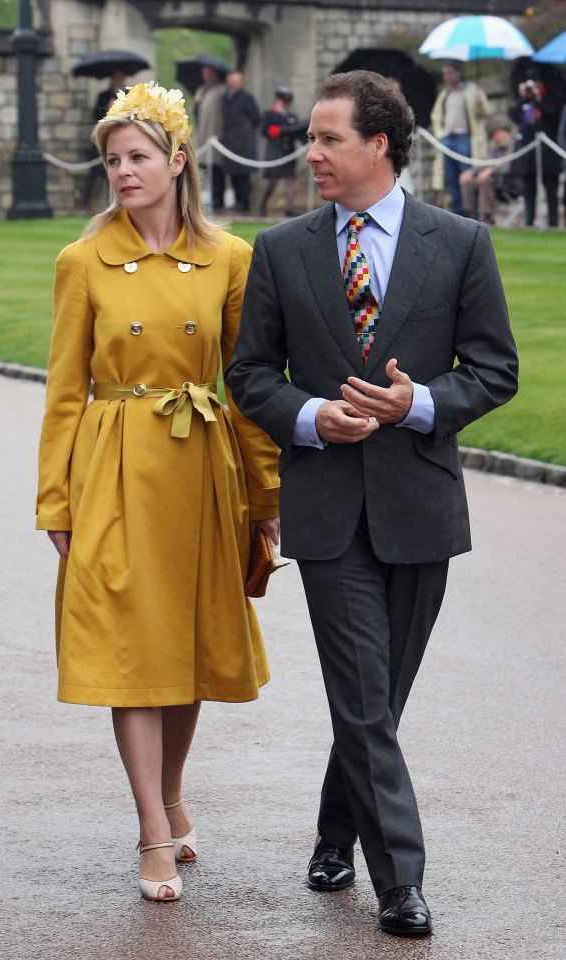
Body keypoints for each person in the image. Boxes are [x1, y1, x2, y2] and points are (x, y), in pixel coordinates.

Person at [227, 70, 518, 937]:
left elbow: (493, 370)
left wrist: (416, 404)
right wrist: (311, 416)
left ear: (378, 144)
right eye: (308, 138)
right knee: (362, 694)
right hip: (324, 508)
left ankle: (333, 829)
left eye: (326, 139)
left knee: (376, 701)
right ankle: (400, 883)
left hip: (419, 505)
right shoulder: (280, 248)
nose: (308, 152)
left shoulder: (460, 241)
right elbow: (247, 375)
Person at [36, 81, 280, 904]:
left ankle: (173, 793)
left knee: (185, 649)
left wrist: (264, 493)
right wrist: (55, 502)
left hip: (201, 466)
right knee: (128, 652)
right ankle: (150, 829)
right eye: (112, 160)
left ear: (179, 161)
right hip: (111, 470)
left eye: (138, 157)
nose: (123, 172)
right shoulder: (82, 260)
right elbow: (64, 390)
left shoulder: (232, 259)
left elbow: (247, 387)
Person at [430, 61, 492, 216]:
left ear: (458, 73)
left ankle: (471, 213)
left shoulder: (473, 91)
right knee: (451, 179)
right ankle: (457, 212)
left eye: (449, 73)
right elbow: (436, 115)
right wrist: (440, 134)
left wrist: (479, 104)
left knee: (467, 178)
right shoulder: (445, 94)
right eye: (444, 74)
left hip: (466, 139)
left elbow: (486, 113)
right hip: (449, 139)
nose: (447, 77)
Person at [508, 68, 562, 228]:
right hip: (528, 151)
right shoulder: (525, 101)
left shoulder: (550, 98)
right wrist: (522, 97)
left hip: (548, 153)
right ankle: (529, 222)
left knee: (551, 189)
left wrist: (539, 99)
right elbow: (514, 115)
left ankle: (553, 223)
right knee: (529, 189)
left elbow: (554, 115)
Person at [458, 119, 522, 225]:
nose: (497, 137)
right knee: (469, 181)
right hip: (496, 184)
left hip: (512, 183)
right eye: (494, 135)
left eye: (499, 133)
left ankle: (486, 216)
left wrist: (491, 171)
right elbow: (484, 163)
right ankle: (470, 215)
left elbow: (508, 166)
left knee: (485, 180)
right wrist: (470, 172)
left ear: (507, 132)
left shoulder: (516, 146)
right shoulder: (495, 150)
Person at [80, 68, 127, 208]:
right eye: (116, 76)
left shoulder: (130, 94)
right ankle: (88, 204)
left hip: (123, 138)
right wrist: (108, 109)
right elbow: (96, 116)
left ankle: (116, 203)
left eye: (121, 76)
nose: (119, 79)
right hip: (106, 139)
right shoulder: (104, 95)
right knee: (97, 174)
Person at [260, 87, 307, 217]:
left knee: (290, 180)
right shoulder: (270, 114)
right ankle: (263, 204)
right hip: (276, 151)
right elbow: (268, 131)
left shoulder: (291, 116)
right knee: (272, 181)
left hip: (288, 151)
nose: (285, 105)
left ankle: (290, 207)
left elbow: (297, 133)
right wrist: (284, 130)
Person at [221, 70, 260, 212]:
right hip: (230, 142)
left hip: (243, 142)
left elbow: (256, 117)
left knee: (244, 175)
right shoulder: (225, 97)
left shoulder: (246, 98)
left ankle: (244, 202)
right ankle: (238, 201)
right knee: (233, 173)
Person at [193, 64, 227, 211]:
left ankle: (218, 198)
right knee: (205, 166)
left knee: (216, 167)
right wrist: (195, 106)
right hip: (203, 133)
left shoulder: (221, 90)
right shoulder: (201, 90)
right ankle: (212, 197)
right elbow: (196, 114)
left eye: (208, 73)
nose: (205, 75)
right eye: (204, 73)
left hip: (215, 133)